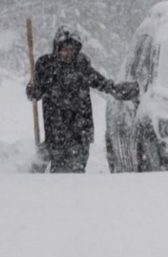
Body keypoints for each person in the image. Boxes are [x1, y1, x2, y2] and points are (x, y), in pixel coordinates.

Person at [26, 26, 139, 173]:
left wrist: (115, 88)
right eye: (64, 49)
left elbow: (98, 81)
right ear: (57, 48)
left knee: (75, 170)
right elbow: (33, 92)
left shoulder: (81, 64)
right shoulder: (46, 65)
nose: (68, 53)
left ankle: (75, 193)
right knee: (58, 172)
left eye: (71, 50)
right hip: (55, 130)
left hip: (81, 130)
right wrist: (34, 90)